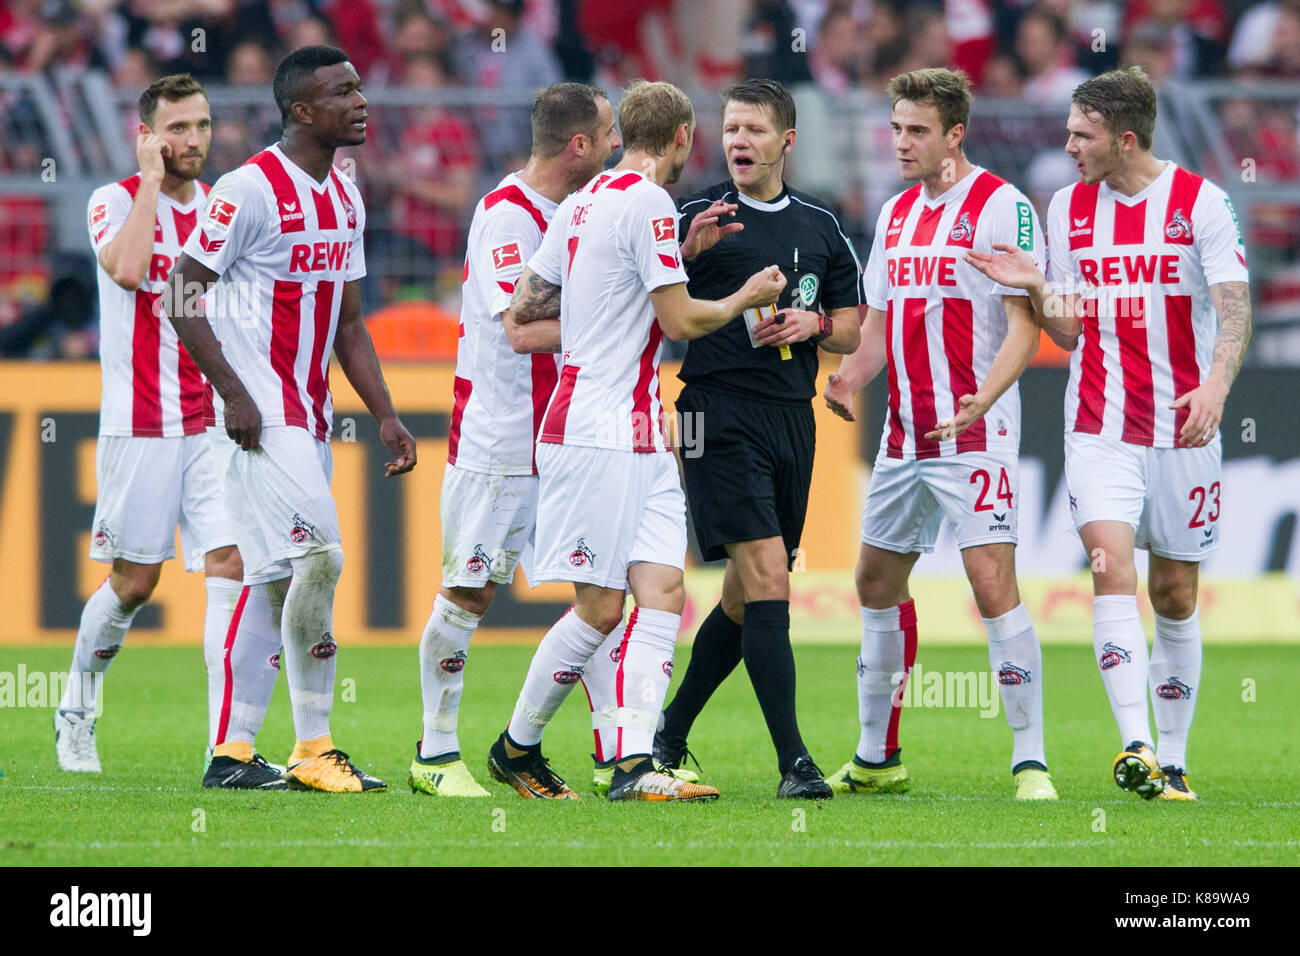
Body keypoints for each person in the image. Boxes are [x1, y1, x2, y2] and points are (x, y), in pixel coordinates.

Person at [489, 79, 787, 801]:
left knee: (663, 591)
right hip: (596, 429)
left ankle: (633, 764)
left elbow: (526, 306)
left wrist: (670, 256)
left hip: (640, 431)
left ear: (625, 134)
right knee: (600, 606)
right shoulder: (648, 201)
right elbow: (681, 323)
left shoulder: (587, 200)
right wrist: (747, 296)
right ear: (682, 136)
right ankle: (515, 747)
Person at [965, 66, 1252, 801]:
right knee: (1109, 568)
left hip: (1184, 428)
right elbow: (1068, 321)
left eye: (1081, 135)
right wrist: (1033, 282)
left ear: (1124, 139)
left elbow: (1233, 307)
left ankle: (1177, 757)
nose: (1067, 145)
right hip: (1099, 426)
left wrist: (1216, 386)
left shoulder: (1201, 203)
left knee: (1177, 592)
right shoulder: (1068, 206)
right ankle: (1138, 746)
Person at [165, 45, 417, 793]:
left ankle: (235, 755)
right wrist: (234, 393)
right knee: (321, 560)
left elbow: (348, 324)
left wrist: (388, 415)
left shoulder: (344, 193)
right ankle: (313, 745)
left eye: (361, 86)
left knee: (276, 576)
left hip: (311, 416)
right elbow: (180, 291)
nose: (363, 100)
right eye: (344, 92)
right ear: (302, 110)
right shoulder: (247, 190)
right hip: (258, 416)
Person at [822, 67, 1059, 800]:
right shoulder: (894, 216)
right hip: (905, 434)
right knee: (875, 581)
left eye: (917, 130)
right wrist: (851, 376)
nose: (901, 143)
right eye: (895, 128)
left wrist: (982, 402)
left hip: (975, 433)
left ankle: (1031, 761)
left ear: (955, 134)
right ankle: (876, 756)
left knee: (992, 585)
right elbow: (883, 325)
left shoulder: (1002, 207)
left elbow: (1027, 327)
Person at [55, 73, 284, 791]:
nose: (194, 140)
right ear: (147, 136)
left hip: (213, 422)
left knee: (234, 564)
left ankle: (228, 751)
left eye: (203, 126)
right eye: (177, 128)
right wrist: (152, 183)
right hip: (141, 422)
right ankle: (76, 708)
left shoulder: (223, 208)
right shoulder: (114, 201)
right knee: (135, 582)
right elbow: (126, 271)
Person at [408, 81, 621, 798]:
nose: (620, 146)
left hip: (566, 434)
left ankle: (616, 753)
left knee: (601, 593)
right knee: (469, 594)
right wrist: (625, 313)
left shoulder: (576, 212)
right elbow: (521, 328)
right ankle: (434, 755)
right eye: (610, 134)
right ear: (579, 146)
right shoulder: (508, 216)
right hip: (502, 439)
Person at [651, 78, 862, 799]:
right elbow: (649, 297)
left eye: (754, 130)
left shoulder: (819, 225)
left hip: (789, 416)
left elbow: (856, 322)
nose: (738, 141)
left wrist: (817, 327)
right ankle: (795, 763)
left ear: (787, 142)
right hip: (714, 411)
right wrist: (687, 250)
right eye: (730, 128)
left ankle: (669, 732)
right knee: (772, 577)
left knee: (747, 594)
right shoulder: (694, 214)